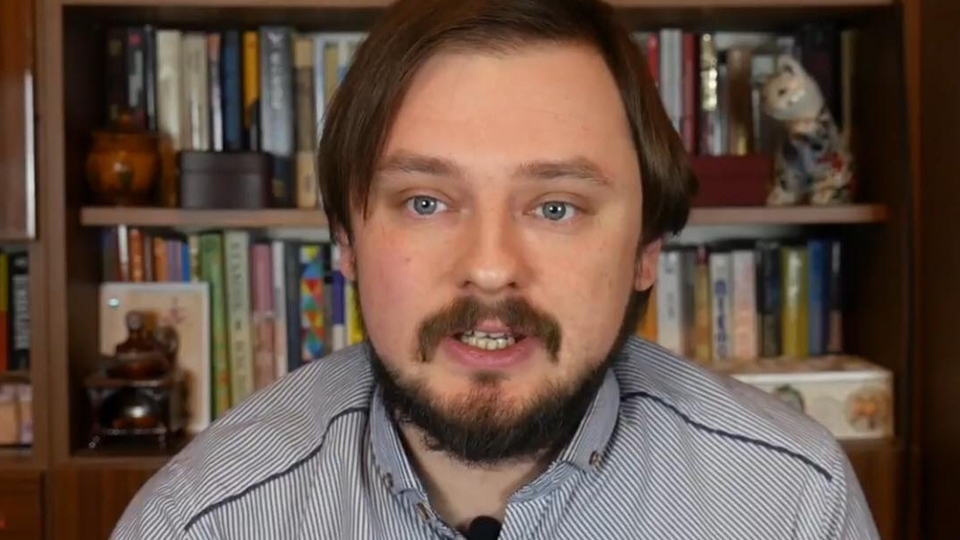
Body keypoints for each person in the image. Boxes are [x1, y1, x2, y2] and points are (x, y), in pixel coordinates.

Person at [110, 0, 881, 538]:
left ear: (647, 249)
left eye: (556, 207)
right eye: (424, 202)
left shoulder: (792, 505)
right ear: (346, 239)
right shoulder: (201, 521)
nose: (488, 270)